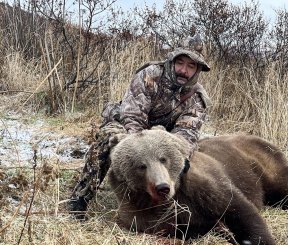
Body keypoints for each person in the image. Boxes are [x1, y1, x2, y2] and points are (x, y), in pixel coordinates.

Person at [68, 47, 211, 219]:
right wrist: (142, 148)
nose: (183, 70)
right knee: (107, 140)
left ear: (197, 70)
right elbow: (132, 116)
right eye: (179, 63)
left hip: (162, 138)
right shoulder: (150, 75)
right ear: (171, 61)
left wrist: (180, 156)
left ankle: (182, 209)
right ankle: (80, 198)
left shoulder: (197, 98)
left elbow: (186, 134)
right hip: (128, 128)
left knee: (186, 160)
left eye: (191, 66)